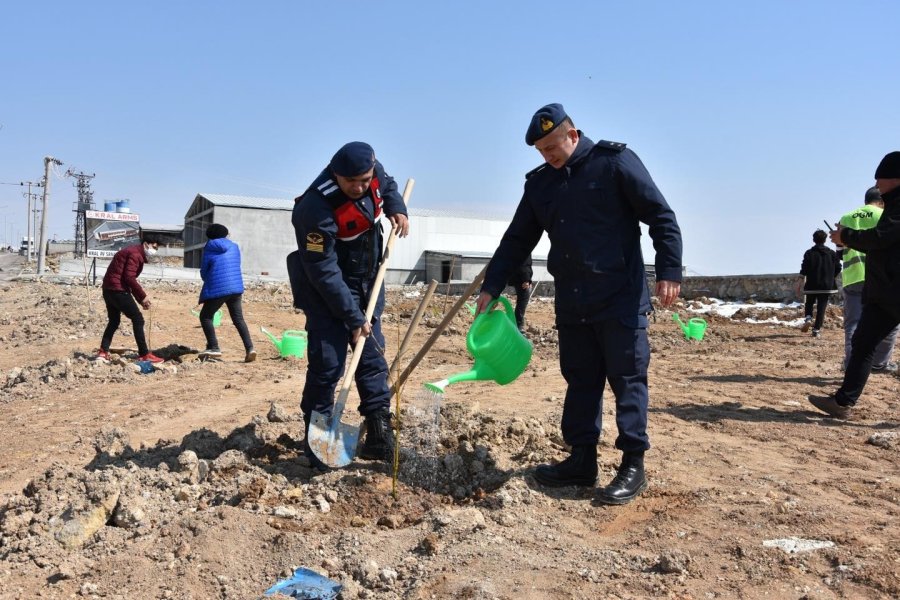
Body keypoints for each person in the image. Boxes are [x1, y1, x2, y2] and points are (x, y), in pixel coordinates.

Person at [477, 103, 682, 505]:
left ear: (572, 135)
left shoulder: (614, 163)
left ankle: (633, 464)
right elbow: (517, 239)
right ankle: (582, 459)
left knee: (627, 379)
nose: (548, 156)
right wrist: (493, 285)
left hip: (620, 297)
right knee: (581, 380)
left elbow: (660, 216)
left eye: (552, 147)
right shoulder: (540, 185)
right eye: (541, 151)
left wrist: (669, 269)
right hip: (573, 300)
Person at [289, 141, 410, 469]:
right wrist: (353, 318)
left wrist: (397, 207)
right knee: (328, 363)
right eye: (350, 182)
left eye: (364, 180)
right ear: (335, 174)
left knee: (371, 358)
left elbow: (388, 185)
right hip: (324, 290)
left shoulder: (373, 172)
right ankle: (318, 440)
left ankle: (379, 434)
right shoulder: (314, 208)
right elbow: (323, 272)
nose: (359, 188)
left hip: (367, 281)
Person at [809, 151, 900, 419]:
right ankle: (842, 402)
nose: (876, 183)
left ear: (895, 178)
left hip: (892, 289)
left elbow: (882, 238)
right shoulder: (891, 205)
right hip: (885, 290)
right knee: (863, 341)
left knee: (862, 339)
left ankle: (843, 401)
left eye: (880, 177)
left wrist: (846, 236)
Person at [836, 187, 899, 372]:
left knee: (853, 324)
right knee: (889, 321)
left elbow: (839, 252)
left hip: (853, 276)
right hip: (881, 277)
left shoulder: (846, 218)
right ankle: (879, 363)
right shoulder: (887, 216)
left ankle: (851, 364)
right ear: (881, 201)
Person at [96, 233, 164, 363]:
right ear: (146, 244)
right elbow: (129, 278)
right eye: (154, 247)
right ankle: (144, 354)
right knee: (138, 319)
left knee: (114, 321)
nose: (155, 251)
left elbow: (126, 280)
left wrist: (140, 300)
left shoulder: (132, 251)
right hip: (118, 290)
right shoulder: (135, 254)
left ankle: (103, 352)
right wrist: (143, 296)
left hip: (108, 289)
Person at [197, 224, 256, 363]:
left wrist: (208, 280)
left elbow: (204, 270)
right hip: (236, 286)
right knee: (238, 319)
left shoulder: (209, 247)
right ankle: (250, 349)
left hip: (218, 287)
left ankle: (214, 347)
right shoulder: (234, 246)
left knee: (205, 316)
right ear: (225, 234)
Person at [796, 230, 841, 337]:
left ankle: (808, 317)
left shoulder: (809, 253)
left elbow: (804, 268)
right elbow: (838, 267)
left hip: (812, 284)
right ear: (825, 240)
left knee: (809, 302)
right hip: (826, 286)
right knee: (822, 307)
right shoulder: (832, 253)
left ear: (814, 239)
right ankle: (816, 330)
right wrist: (831, 276)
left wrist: (800, 281)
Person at [507, 255, 533, 332]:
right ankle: (518, 325)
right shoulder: (525, 248)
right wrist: (526, 279)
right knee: (522, 301)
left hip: (516, 276)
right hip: (521, 278)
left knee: (521, 301)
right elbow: (524, 262)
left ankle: (518, 323)